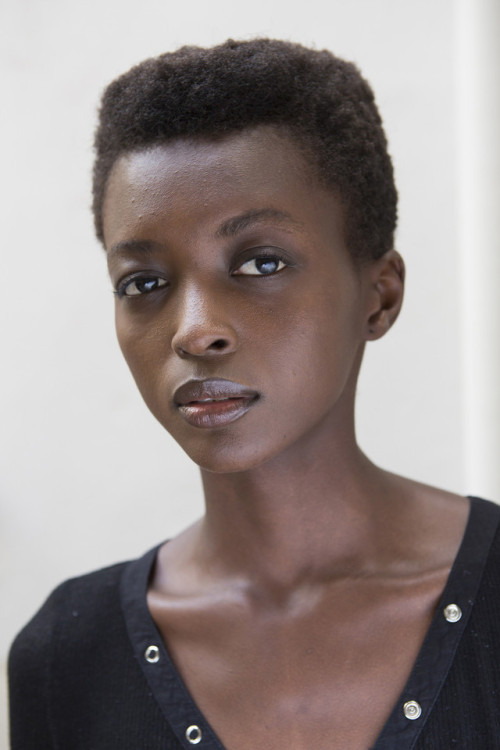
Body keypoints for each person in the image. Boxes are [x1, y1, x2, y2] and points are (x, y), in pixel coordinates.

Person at [8, 38, 500, 750]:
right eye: (144, 282)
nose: (194, 331)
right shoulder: (67, 660)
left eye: (260, 263)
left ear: (379, 295)